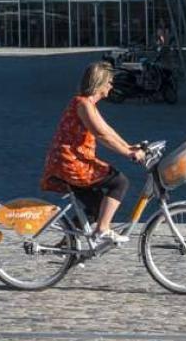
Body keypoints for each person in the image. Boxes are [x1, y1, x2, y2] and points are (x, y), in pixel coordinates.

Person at [41, 61, 148, 249]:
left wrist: (129, 146)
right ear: (99, 83)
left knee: (99, 207)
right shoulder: (83, 105)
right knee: (119, 181)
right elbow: (101, 135)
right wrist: (128, 154)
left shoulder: (88, 104)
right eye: (109, 82)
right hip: (70, 163)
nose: (111, 86)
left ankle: (67, 246)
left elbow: (108, 130)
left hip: (70, 161)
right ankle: (103, 230)